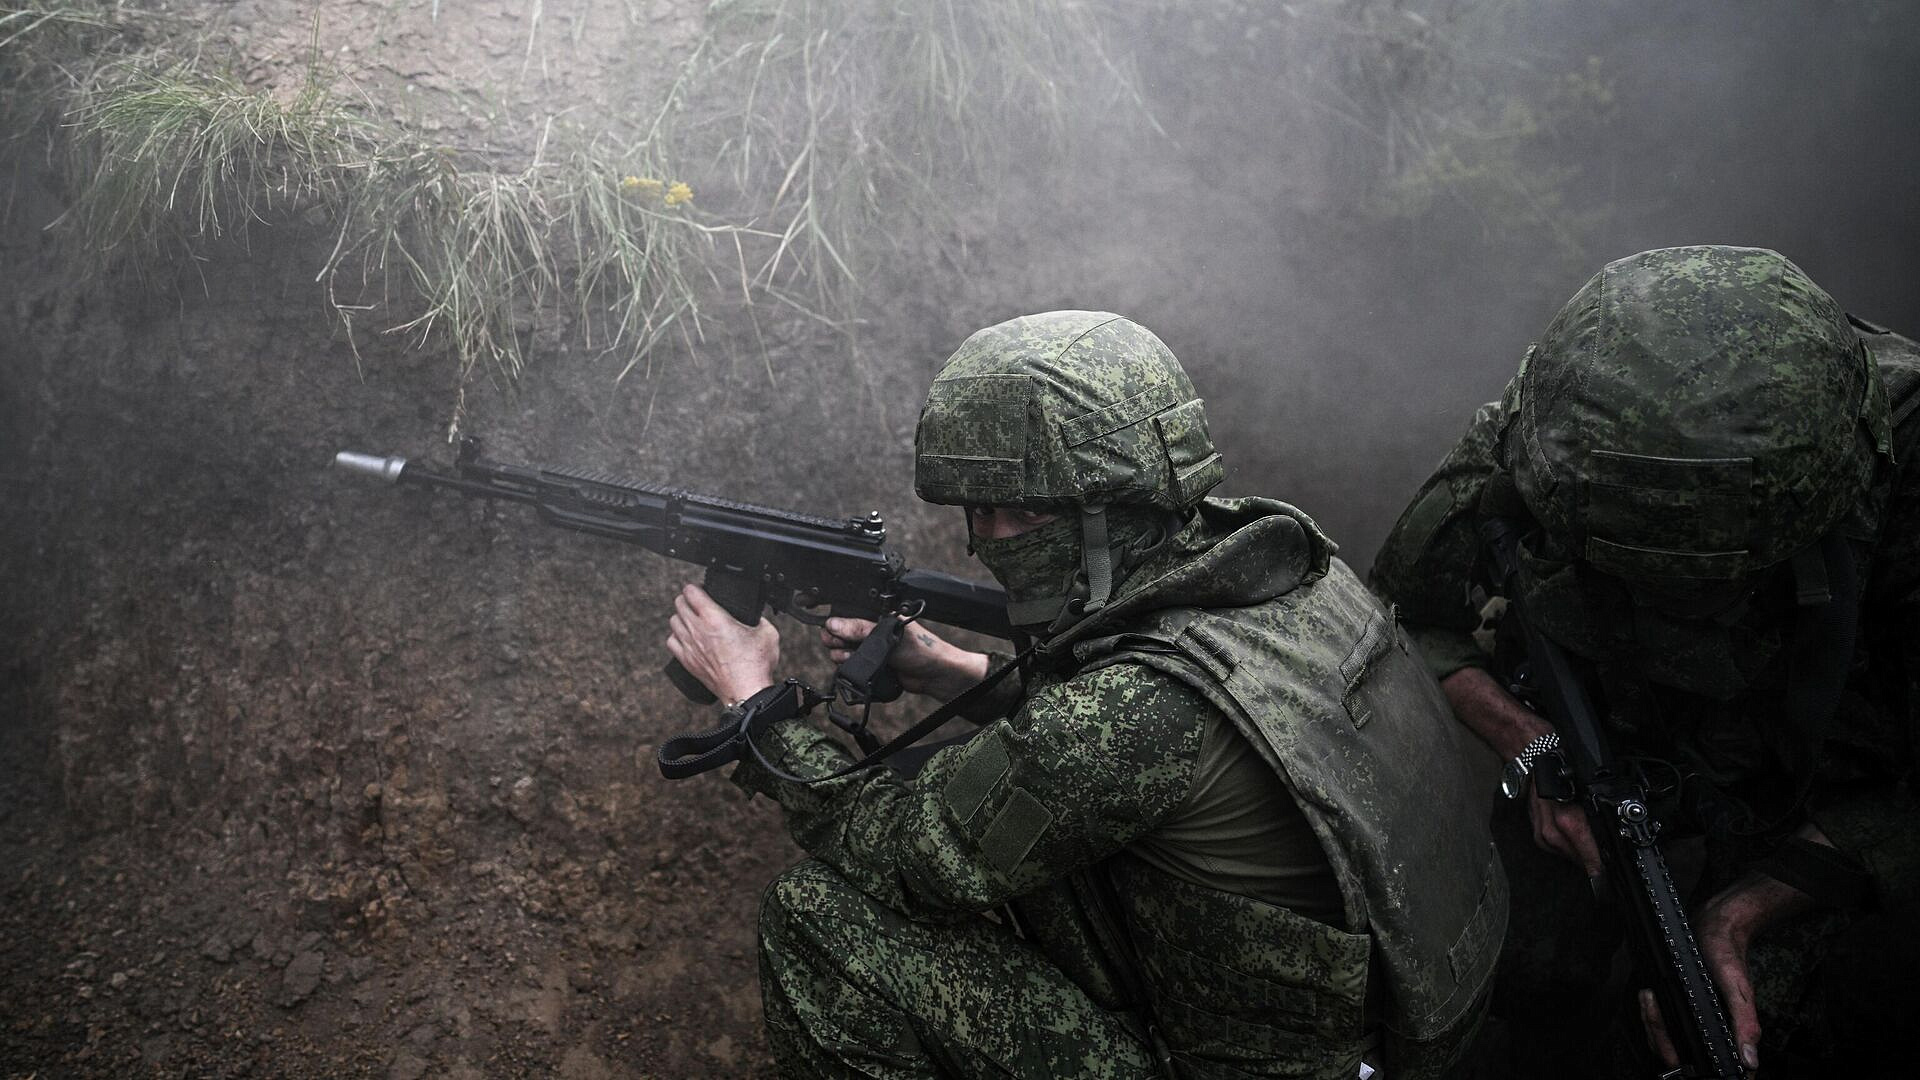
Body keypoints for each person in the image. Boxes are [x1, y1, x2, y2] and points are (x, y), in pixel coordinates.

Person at [665, 311, 1506, 1079]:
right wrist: (954, 672)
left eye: (1015, 514)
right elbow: (1147, 740)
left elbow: (904, 855)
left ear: (1109, 509)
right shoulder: (1288, 575)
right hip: (1382, 1034)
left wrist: (753, 701)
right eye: (977, 512)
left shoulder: (1134, 711)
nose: (985, 539)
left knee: (817, 919)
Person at [1369, 245, 1920, 1077]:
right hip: (1597, 743)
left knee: (1763, 1028)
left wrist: (1743, 912)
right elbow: (1408, 612)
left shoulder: (1900, 468)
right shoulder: (1555, 431)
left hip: (1830, 793)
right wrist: (1532, 744)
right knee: (1524, 975)